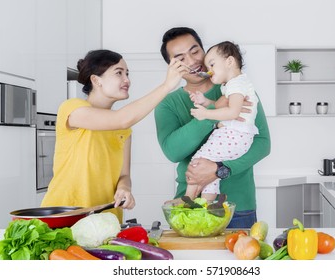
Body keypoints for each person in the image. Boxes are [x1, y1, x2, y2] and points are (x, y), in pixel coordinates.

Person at [41, 49, 187, 222]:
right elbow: (122, 118)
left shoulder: (123, 130)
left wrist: (125, 188)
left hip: (105, 219)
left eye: (127, 73)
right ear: (96, 80)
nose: (127, 80)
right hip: (65, 216)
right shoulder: (72, 108)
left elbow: (124, 175)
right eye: (119, 73)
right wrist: (166, 86)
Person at [155, 27, 271, 228]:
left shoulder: (237, 88)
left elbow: (262, 144)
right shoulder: (167, 104)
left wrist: (220, 170)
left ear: (204, 50)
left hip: (239, 206)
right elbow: (173, 152)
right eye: (180, 58)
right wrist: (213, 114)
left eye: (195, 51)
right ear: (172, 66)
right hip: (188, 204)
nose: (192, 61)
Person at [180, 41, 259, 203]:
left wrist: (206, 114)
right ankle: (207, 205)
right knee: (209, 168)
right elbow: (221, 106)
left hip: (234, 135)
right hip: (236, 136)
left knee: (198, 161)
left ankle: (188, 200)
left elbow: (233, 112)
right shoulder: (233, 84)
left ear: (229, 62)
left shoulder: (237, 84)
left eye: (212, 65)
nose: (209, 71)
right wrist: (205, 101)